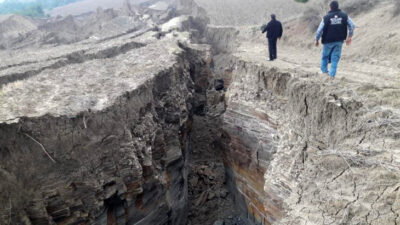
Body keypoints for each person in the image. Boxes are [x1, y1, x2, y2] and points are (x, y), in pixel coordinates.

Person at [315, 1, 355, 79]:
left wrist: (316, 39)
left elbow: (319, 30)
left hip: (327, 41)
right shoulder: (344, 16)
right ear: (338, 6)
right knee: (335, 58)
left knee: (325, 57)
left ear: (330, 7)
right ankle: (332, 75)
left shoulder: (326, 17)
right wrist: (349, 36)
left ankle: (324, 73)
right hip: (339, 41)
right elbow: (352, 25)